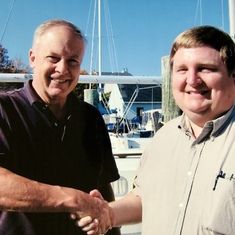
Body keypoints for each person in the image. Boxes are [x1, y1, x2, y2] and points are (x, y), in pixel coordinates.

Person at [78, 25, 235, 235]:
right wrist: (108, 213)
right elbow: (144, 199)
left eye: (205, 68)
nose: (192, 80)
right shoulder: (163, 137)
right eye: (182, 70)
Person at [0, 19, 120, 235]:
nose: (62, 69)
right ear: (33, 58)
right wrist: (73, 200)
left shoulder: (91, 117)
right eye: (53, 58)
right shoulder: (4, 109)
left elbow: (103, 189)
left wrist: (109, 224)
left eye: (73, 61)